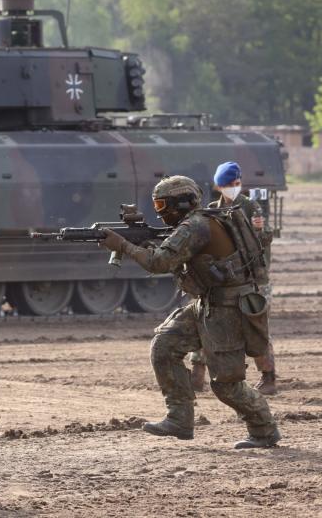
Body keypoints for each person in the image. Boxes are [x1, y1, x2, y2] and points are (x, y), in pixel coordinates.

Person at [100, 175, 280, 448]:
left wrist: (123, 245)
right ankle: (180, 419)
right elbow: (171, 256)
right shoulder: (196, 222)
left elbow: (159, 263)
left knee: (226, 384)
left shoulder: (196, 226)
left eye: (163, 206)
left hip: (227, 308)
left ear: (182, 203)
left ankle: (264, 431)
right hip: (207, 303)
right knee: (164, 346)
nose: (159, 214)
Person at [190, 161, 277, 395]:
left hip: (252, 280)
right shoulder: (212, 210)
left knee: (256, 328)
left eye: (237, 183)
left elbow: (264, 240)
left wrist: (260, 231)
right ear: (219, 187)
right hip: (223, 280)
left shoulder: (250, 207)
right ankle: (197, 376)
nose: (234, 187)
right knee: (206, 323)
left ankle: (268, 377)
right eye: (229, 184)